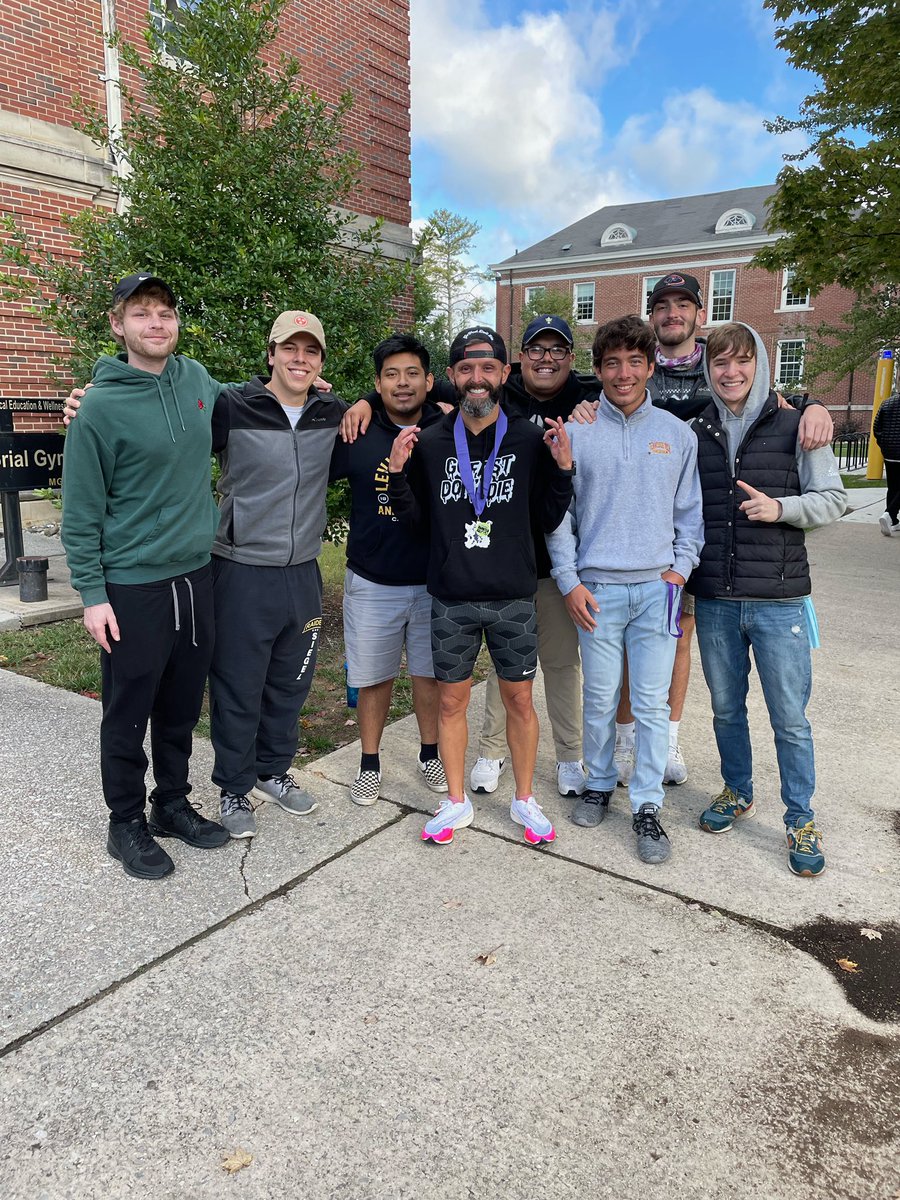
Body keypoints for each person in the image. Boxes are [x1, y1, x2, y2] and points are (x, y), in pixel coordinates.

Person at [572, 272, 834, 790]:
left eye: (682, 305)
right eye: (662, 305)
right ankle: (630, 744)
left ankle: (666, 740)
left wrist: (812, 405)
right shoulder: (661, 400)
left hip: (724, 571)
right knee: (650, 681)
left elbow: (767, 408)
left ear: (698, 313)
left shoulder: (747, 395)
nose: (672, 313)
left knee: (682, 649)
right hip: (687, 566)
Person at [61, 273, 229, 880]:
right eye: (141, 314)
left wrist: (305, 386)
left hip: (195, 577)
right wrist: (92, 595)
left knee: (182, 706)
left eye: (164, 313)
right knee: (129, 710)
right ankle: (125, 821)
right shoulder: (98, 409)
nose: (155, 323)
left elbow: (250, 400)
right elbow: (79, 511)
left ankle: (171, 804)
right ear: (118, 325)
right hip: (133, 587)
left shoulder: (196, 382)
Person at [387, 326, 574, 845]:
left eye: (487, 368)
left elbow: (548, 516)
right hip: (450, 597)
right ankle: (454, 802)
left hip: (514, 595)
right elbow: (415, 523)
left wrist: (562, 471)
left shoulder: (529, 441)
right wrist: (399, 476)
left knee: (519, 701)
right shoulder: (428, 443)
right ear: (451, 376)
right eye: (466, 369)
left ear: (503, 374)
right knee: (451, 703)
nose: (477, 378)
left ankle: (524, 799)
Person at [689, 322, 846, 877]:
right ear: (708, 369)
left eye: (742, 361)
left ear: (760, 364)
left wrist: (782, 509)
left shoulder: (798, 425)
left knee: (789, 719)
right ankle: (738, 789)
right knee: (727, 709)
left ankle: (800, 816)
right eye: (720, 363)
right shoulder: (696, 430)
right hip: (714, 599)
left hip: (779, 602)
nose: (730, 373)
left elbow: (832, 501)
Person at [547, 315, 703, 864]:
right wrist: (569, 582)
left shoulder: (675, 435)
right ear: (598, 370)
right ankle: (599, 783)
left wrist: (680, 571)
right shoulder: (578, 434)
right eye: (612, 362)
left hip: (656, 591)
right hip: (598, 593)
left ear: (651, 366)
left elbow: (690, 517)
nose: (623, 372)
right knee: (599, 697)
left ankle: (647, 805)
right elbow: (560, 518)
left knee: (652, 706)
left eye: (635, 361)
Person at [209, 311, 345, 837]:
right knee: (239, 686)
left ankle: (273, 771)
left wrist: (358, 403)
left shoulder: (331, 412)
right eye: (290, 349)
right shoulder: (232, 405)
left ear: (320, 362)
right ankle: (234, 787)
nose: (299, 359)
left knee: (291, 683)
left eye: (310, 351)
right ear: (271, 353)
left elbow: (394, 406)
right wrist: (92, 399)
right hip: (242, 570)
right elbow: (167, 415)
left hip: (302, 573)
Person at [469, 316, 601, 801]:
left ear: (570, 357)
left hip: (559, 566)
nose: (547, 358)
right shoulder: (498, 394)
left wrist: (798, 402)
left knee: (562, 666)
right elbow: (437, 382)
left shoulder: (590, 396)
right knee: (505, 667)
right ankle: (491, 749)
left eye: (557, 349)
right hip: (507, 560)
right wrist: (367, 398)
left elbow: (665, 394)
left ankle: (569, 755)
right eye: (536, 349)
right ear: (518, 359)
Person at [327, 333, 448, 805]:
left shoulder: (448, 426)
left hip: (434, 580)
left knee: (428, 676)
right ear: (377, 383)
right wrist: (351, 402)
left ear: (429, 381)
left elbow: (487, 391)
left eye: (412, 373)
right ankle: (369, 763)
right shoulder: (355, 429)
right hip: (372, 580)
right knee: (373, 677)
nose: (402, 383)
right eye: (392, 375)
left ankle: (430, 752)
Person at [872, 391, 900, 536]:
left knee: (893, 487)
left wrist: (884, 444)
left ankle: (893, 521)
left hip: (890, 453)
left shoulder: (887, 403)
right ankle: (889, 514)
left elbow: (877, 427)